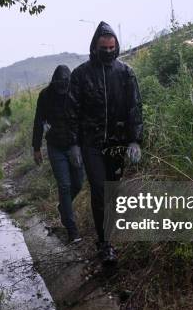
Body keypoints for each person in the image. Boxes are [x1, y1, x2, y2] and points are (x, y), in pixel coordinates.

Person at [67, 21, 143, 264]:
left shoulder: (126, 73)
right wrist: (73, 144)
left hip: (118, 143)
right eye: (104, 47)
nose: (108, 51)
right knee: (99, 190)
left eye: (112, 47)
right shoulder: (80, 75)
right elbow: (72, 113)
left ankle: (108, 233)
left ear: (116, 47)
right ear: (95, 46)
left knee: (111, 192)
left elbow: (135, 108)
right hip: (91, 144)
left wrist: (135, 141)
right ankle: (105, 244)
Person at [32, 65, 85, 244]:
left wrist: (82, 144)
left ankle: (64, 207)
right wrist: (36, 148)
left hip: (74, 146)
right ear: (54, 83)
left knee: (78, 183)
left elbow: (84, 119)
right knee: (64, 185)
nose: (62, 89)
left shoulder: (76, 92)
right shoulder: (45, 95)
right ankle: (72, 230)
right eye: (59, 86)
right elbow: (39, 122)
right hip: (55, 147)